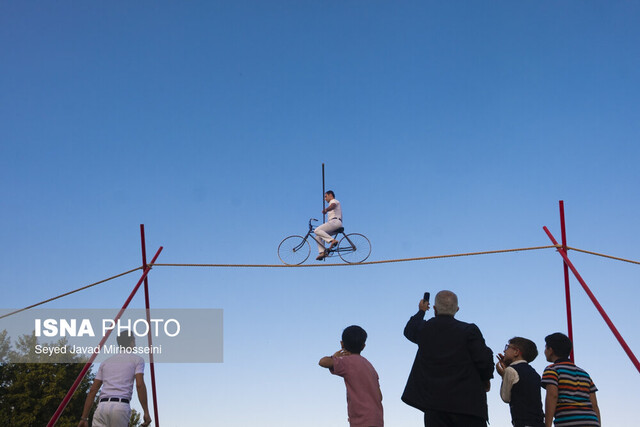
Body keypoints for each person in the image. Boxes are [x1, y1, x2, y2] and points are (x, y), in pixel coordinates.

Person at [402, 290, 494, 427]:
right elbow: (483, 360)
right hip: (468, 405)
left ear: (434, 309)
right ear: (457, 309)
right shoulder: (469, 330)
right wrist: (486, 379)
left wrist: (421, 311)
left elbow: (410, 329)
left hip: (435, 407)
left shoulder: (425, 329)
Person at [78, 330, 152, 427]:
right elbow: (140, 385)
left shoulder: (105, 362)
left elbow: (93, 391)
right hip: (120, 407)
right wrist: (146, 411)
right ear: (132, 341)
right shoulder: (137, 360)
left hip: (101, 408)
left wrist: (84, 417)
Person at [318, 325, 384, 427]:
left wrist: (335, 356)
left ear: (342, 344)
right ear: (363, 346)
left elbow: (322, 362)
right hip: (376, 420)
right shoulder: (370, 366)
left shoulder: (347, 362)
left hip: (361, 421)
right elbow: (379, 396)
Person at [541, 332, 600, 427]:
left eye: (545, 348)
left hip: (568, 421)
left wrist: (547, 424)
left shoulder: (552, 369)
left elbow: (552, 396)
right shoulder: (584, 373)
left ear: (550, 350)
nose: (544, 351)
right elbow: (594, 405)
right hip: (591, 421)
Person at [496, 337, 544, 427]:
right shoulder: (534, 373)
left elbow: (505, 398)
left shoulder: (510, 370)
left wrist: (503, 375)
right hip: (538, 422)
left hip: (522, 422)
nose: (504, 351)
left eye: (507, 347)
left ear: (516, 352)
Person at [314, 190, 342, 260]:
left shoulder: (334, 201)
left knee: (316, 230)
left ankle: (332, 241)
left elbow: (333, 206)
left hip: (335, 222)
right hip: (334, 224)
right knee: (318, 237)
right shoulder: (332, 203)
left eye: (326, 196)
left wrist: (326, 210)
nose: (325, 199)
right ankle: (322, 252)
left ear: (330, 195)